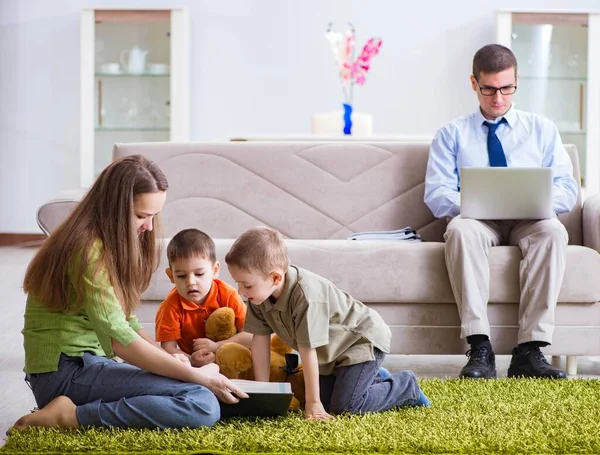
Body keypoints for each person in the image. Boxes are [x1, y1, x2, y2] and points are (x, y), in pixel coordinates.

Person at [13, 155, 247, 431]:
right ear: (114, 208)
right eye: (141, 216)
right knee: (201, 401)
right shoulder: (87, 250)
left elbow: (125, 322)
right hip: (64, 374)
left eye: (153, 216)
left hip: (87, 366)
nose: (148, 226)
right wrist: (196, 376)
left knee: (191, 387)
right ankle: (70, 417)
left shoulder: (99, 243)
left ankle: (77, 411)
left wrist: (167, 357)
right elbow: (118, 339)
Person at [424, 44, 578, 380]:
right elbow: (436, 194)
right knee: (462, 230)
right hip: (478, 220)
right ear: (473, 83)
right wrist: (475, 203)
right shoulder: (452, 133)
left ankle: (530, 350)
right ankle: (479, 347)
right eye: (489, 89)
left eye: (507, 88)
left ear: (516, 80)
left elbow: (568, 189)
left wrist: (537, 201)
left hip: (530, 219)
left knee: (553, 231)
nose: (498, 98)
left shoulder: (542, 129)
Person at [224, 226, 430, 421]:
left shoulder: (306, 296)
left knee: (345, 407)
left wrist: (314, 404)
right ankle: (372, 378)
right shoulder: (259, 294)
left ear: (275, 278)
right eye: (238, 283)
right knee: (322, 399)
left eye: (246, 284)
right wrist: (263, 393)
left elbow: (307, 350)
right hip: (332, 355)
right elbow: (260, 341)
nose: (240, 291)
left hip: (360, 342)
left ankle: (406, 386)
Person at [155, 228, 252, 367]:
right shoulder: (170, 307)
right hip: (195, 365)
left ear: (215, 270)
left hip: (231, 359)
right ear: (171, 276)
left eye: (199, 274)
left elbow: (250, 335)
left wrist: (217, 346)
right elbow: (168, 348)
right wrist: (192, 360)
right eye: (181, 276)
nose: (190, 282)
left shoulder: (227, 294)